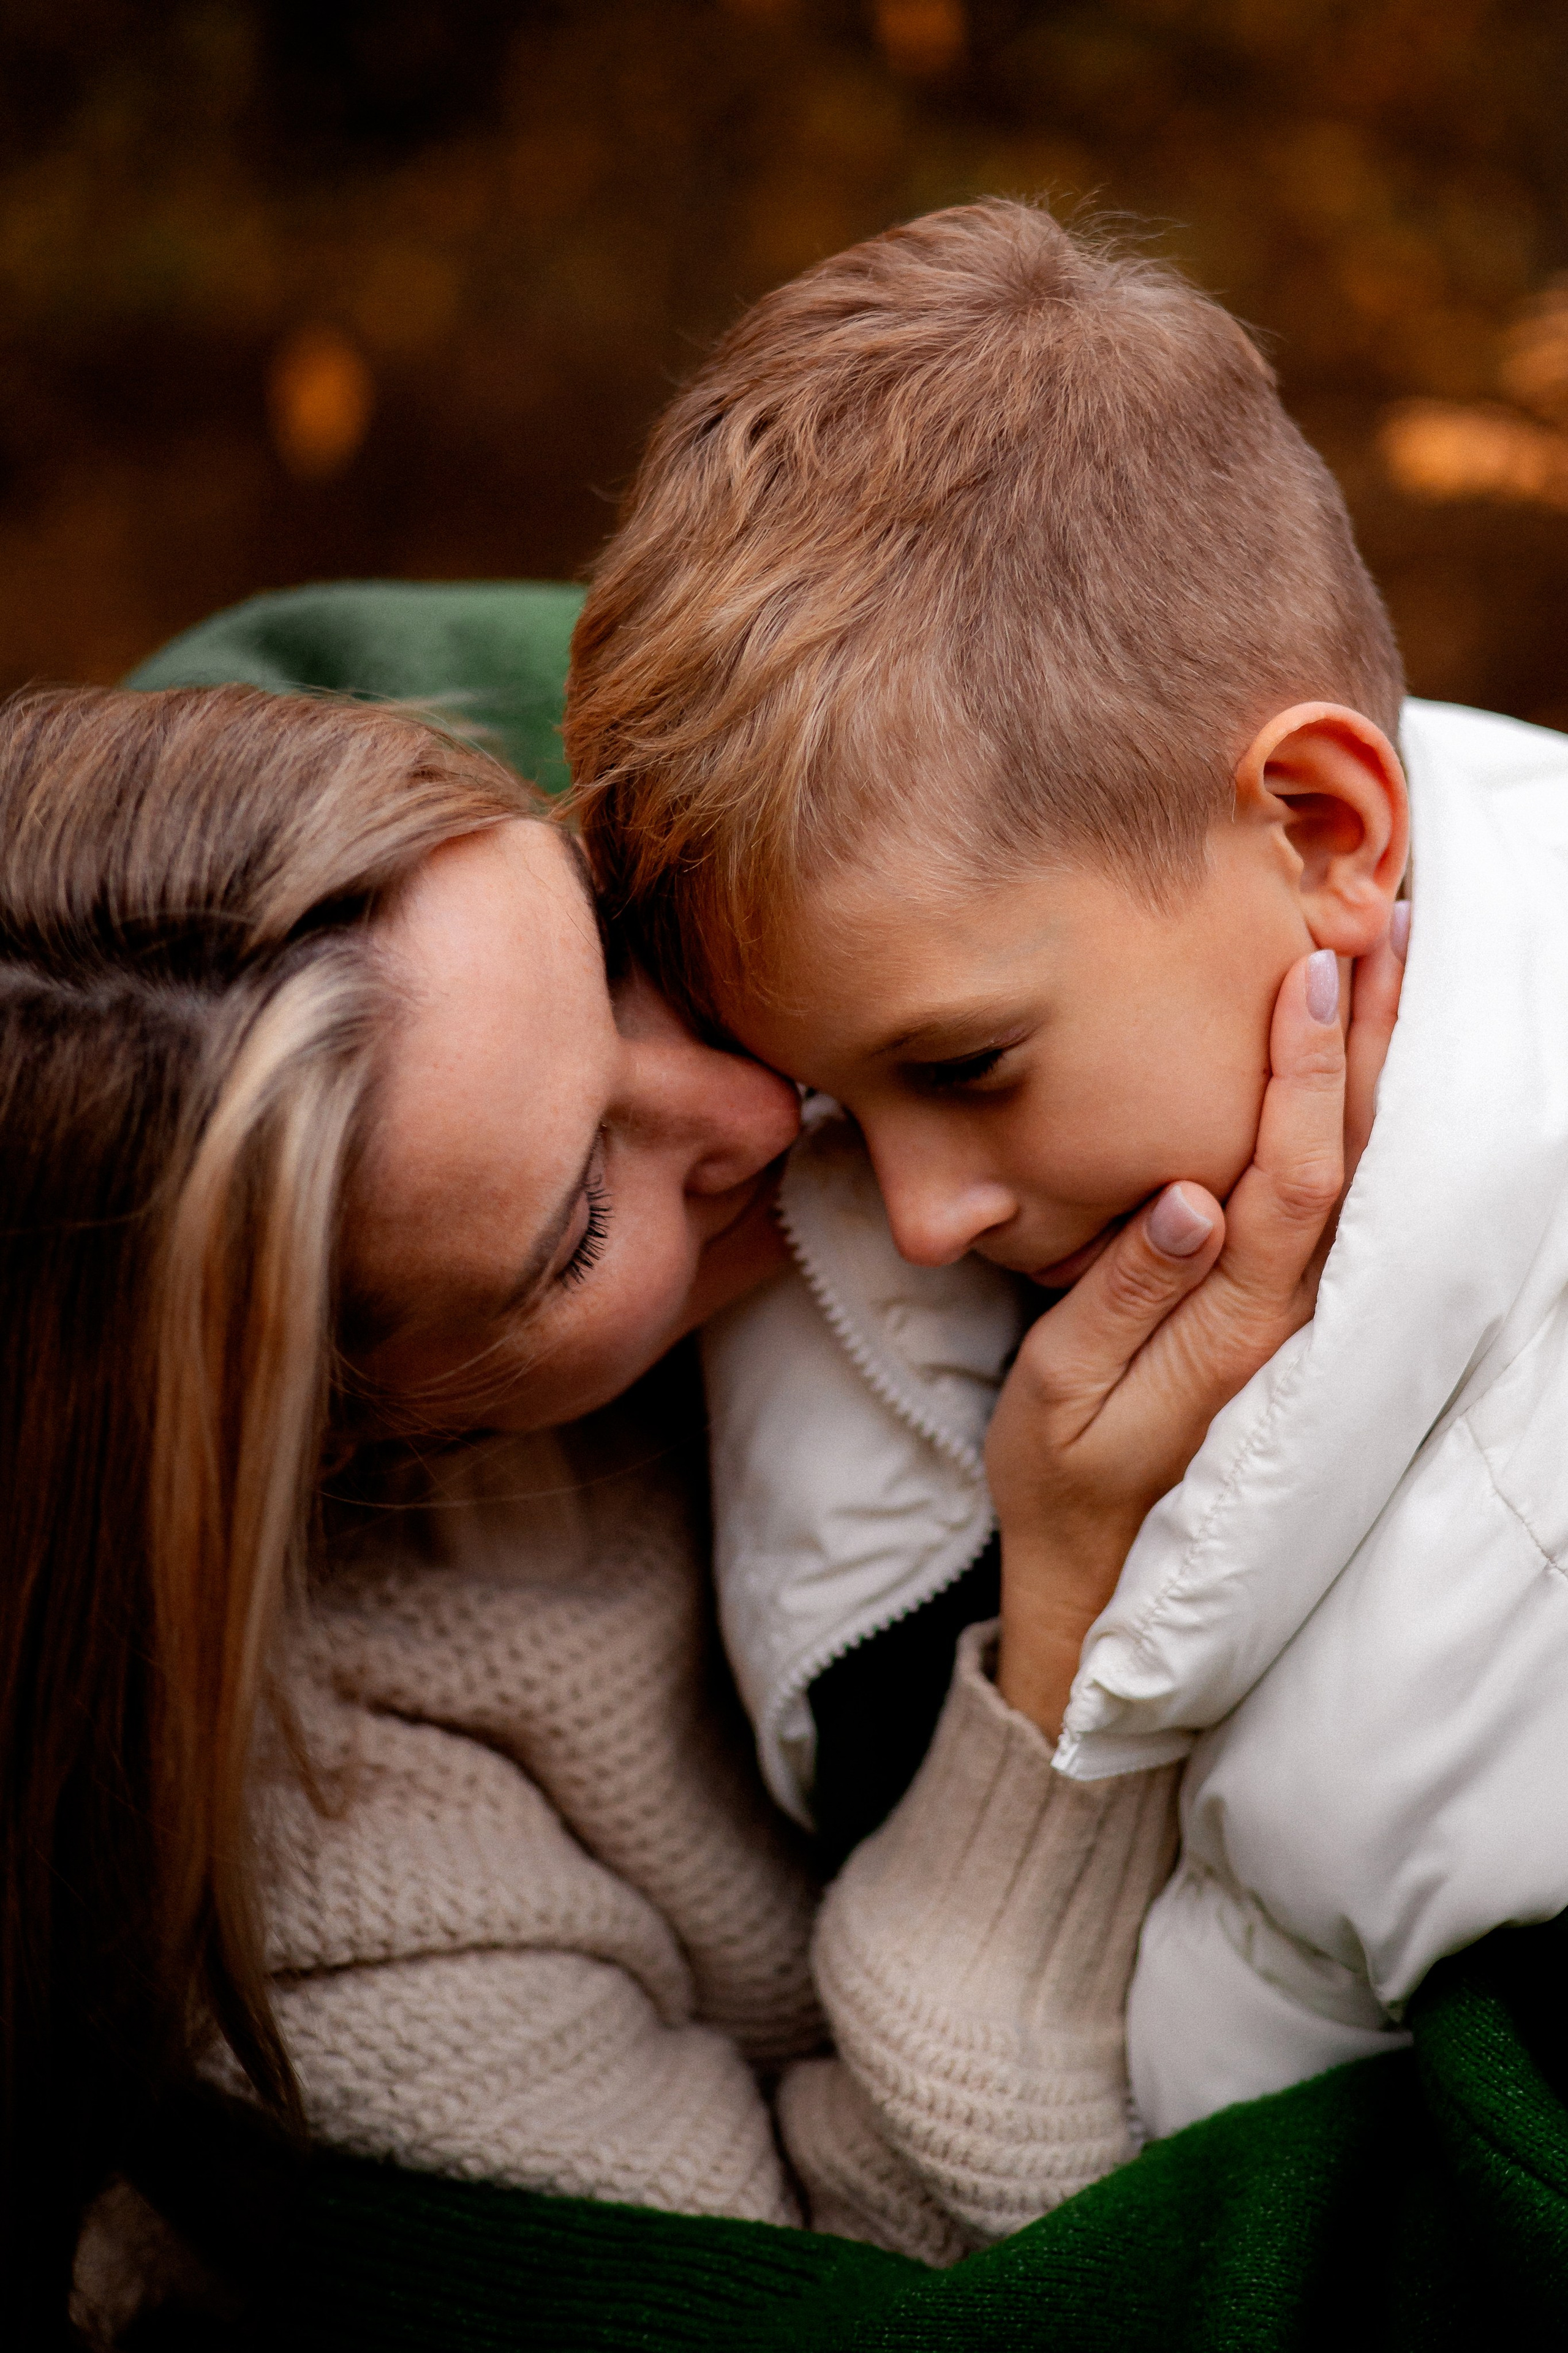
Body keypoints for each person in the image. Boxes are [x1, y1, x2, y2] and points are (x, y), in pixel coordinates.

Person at [0, 681, 1360, 2346]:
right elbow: (883, 2297)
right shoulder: (331, 1915)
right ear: (330, 1425)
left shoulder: (707, 823)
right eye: (579, 1223)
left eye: (606, 939)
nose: (757, 1108)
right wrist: (1078, 1603)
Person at [563, 194, 1568, 2142]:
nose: (916, 1212)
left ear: (1324, 820)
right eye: (839, 1103)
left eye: (970, 1066)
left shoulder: (1522, 1558)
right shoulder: (950, 1013)